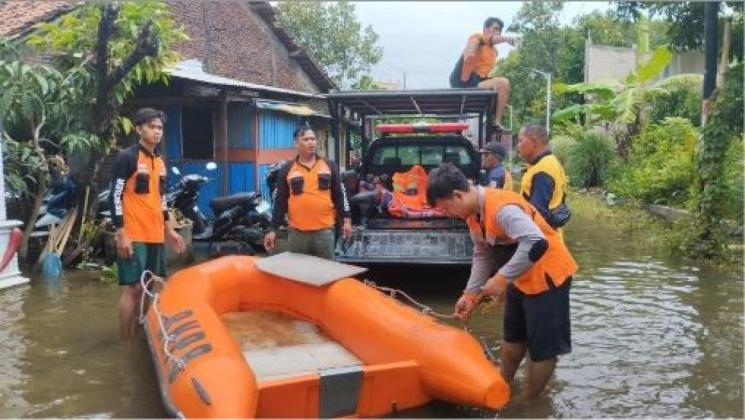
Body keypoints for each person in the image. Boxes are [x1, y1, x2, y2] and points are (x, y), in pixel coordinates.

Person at [426, 162, 578, 402]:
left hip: (548, 277)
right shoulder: (472, 216)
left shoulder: (502, 208)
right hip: (519, 278)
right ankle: (501, 385)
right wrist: (469, 295)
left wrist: (501, 278)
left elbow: (536, 242)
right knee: (512, 337)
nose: (448, 216)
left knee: (544, 349)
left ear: (457, 195)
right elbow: (482, 253)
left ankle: (527, 403)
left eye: (446, 209)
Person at [109, 108, 185, 343]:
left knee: (151, 285)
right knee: (133, 288)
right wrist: (121, 233)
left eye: (160, 127)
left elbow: (161, 199)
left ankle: (142, 335)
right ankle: (125, 342)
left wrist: (169, 229)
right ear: (139, 129)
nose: (156, 131)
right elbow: (115, 195)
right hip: (133, 234)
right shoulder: (127, 157)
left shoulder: (160, 161)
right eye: (151, 126)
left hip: (154, 234)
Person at [263, 126, 352, 259]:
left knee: (327, 272)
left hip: (324, 232)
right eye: (306, 139)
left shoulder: (329, 165)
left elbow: (340, 195)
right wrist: (273, 229)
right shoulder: (287, 169)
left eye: (313, 139)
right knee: (299, 275)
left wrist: (346, 220)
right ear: (296, 143)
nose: (311, 142)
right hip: (297, 234)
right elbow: (280, 202)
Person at [450, 17, 515, 130]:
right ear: (485, 29)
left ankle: (496, 122)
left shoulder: (494, 52)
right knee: (473, 48)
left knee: (503, 83)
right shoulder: (477, 37)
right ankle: (466, 80)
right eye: (494, 28)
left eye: (499, 30)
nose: (497, 32)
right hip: (462, 79)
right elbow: (490, 39)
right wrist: (507, 39)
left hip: (477, 82)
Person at [516, 123, 571, 236]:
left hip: (542, 242)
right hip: (549, 238)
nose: (518, 146)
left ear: (534, 141)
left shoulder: (543, 169)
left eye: (520, 141)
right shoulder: (549, 162)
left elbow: (538, 215)